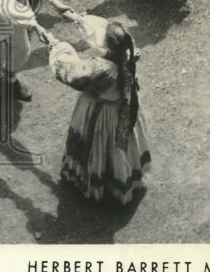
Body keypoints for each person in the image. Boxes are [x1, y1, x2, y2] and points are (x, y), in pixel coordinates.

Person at [52, 22, 150, 204]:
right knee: (119, 147)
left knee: (97, 146)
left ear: (107, 45)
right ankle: (119, 181)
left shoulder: (100, 70)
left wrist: (57, 49)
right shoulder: (130, 55)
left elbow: (68, 74)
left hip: (100, 113)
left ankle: (95, 184)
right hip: (122, 108)